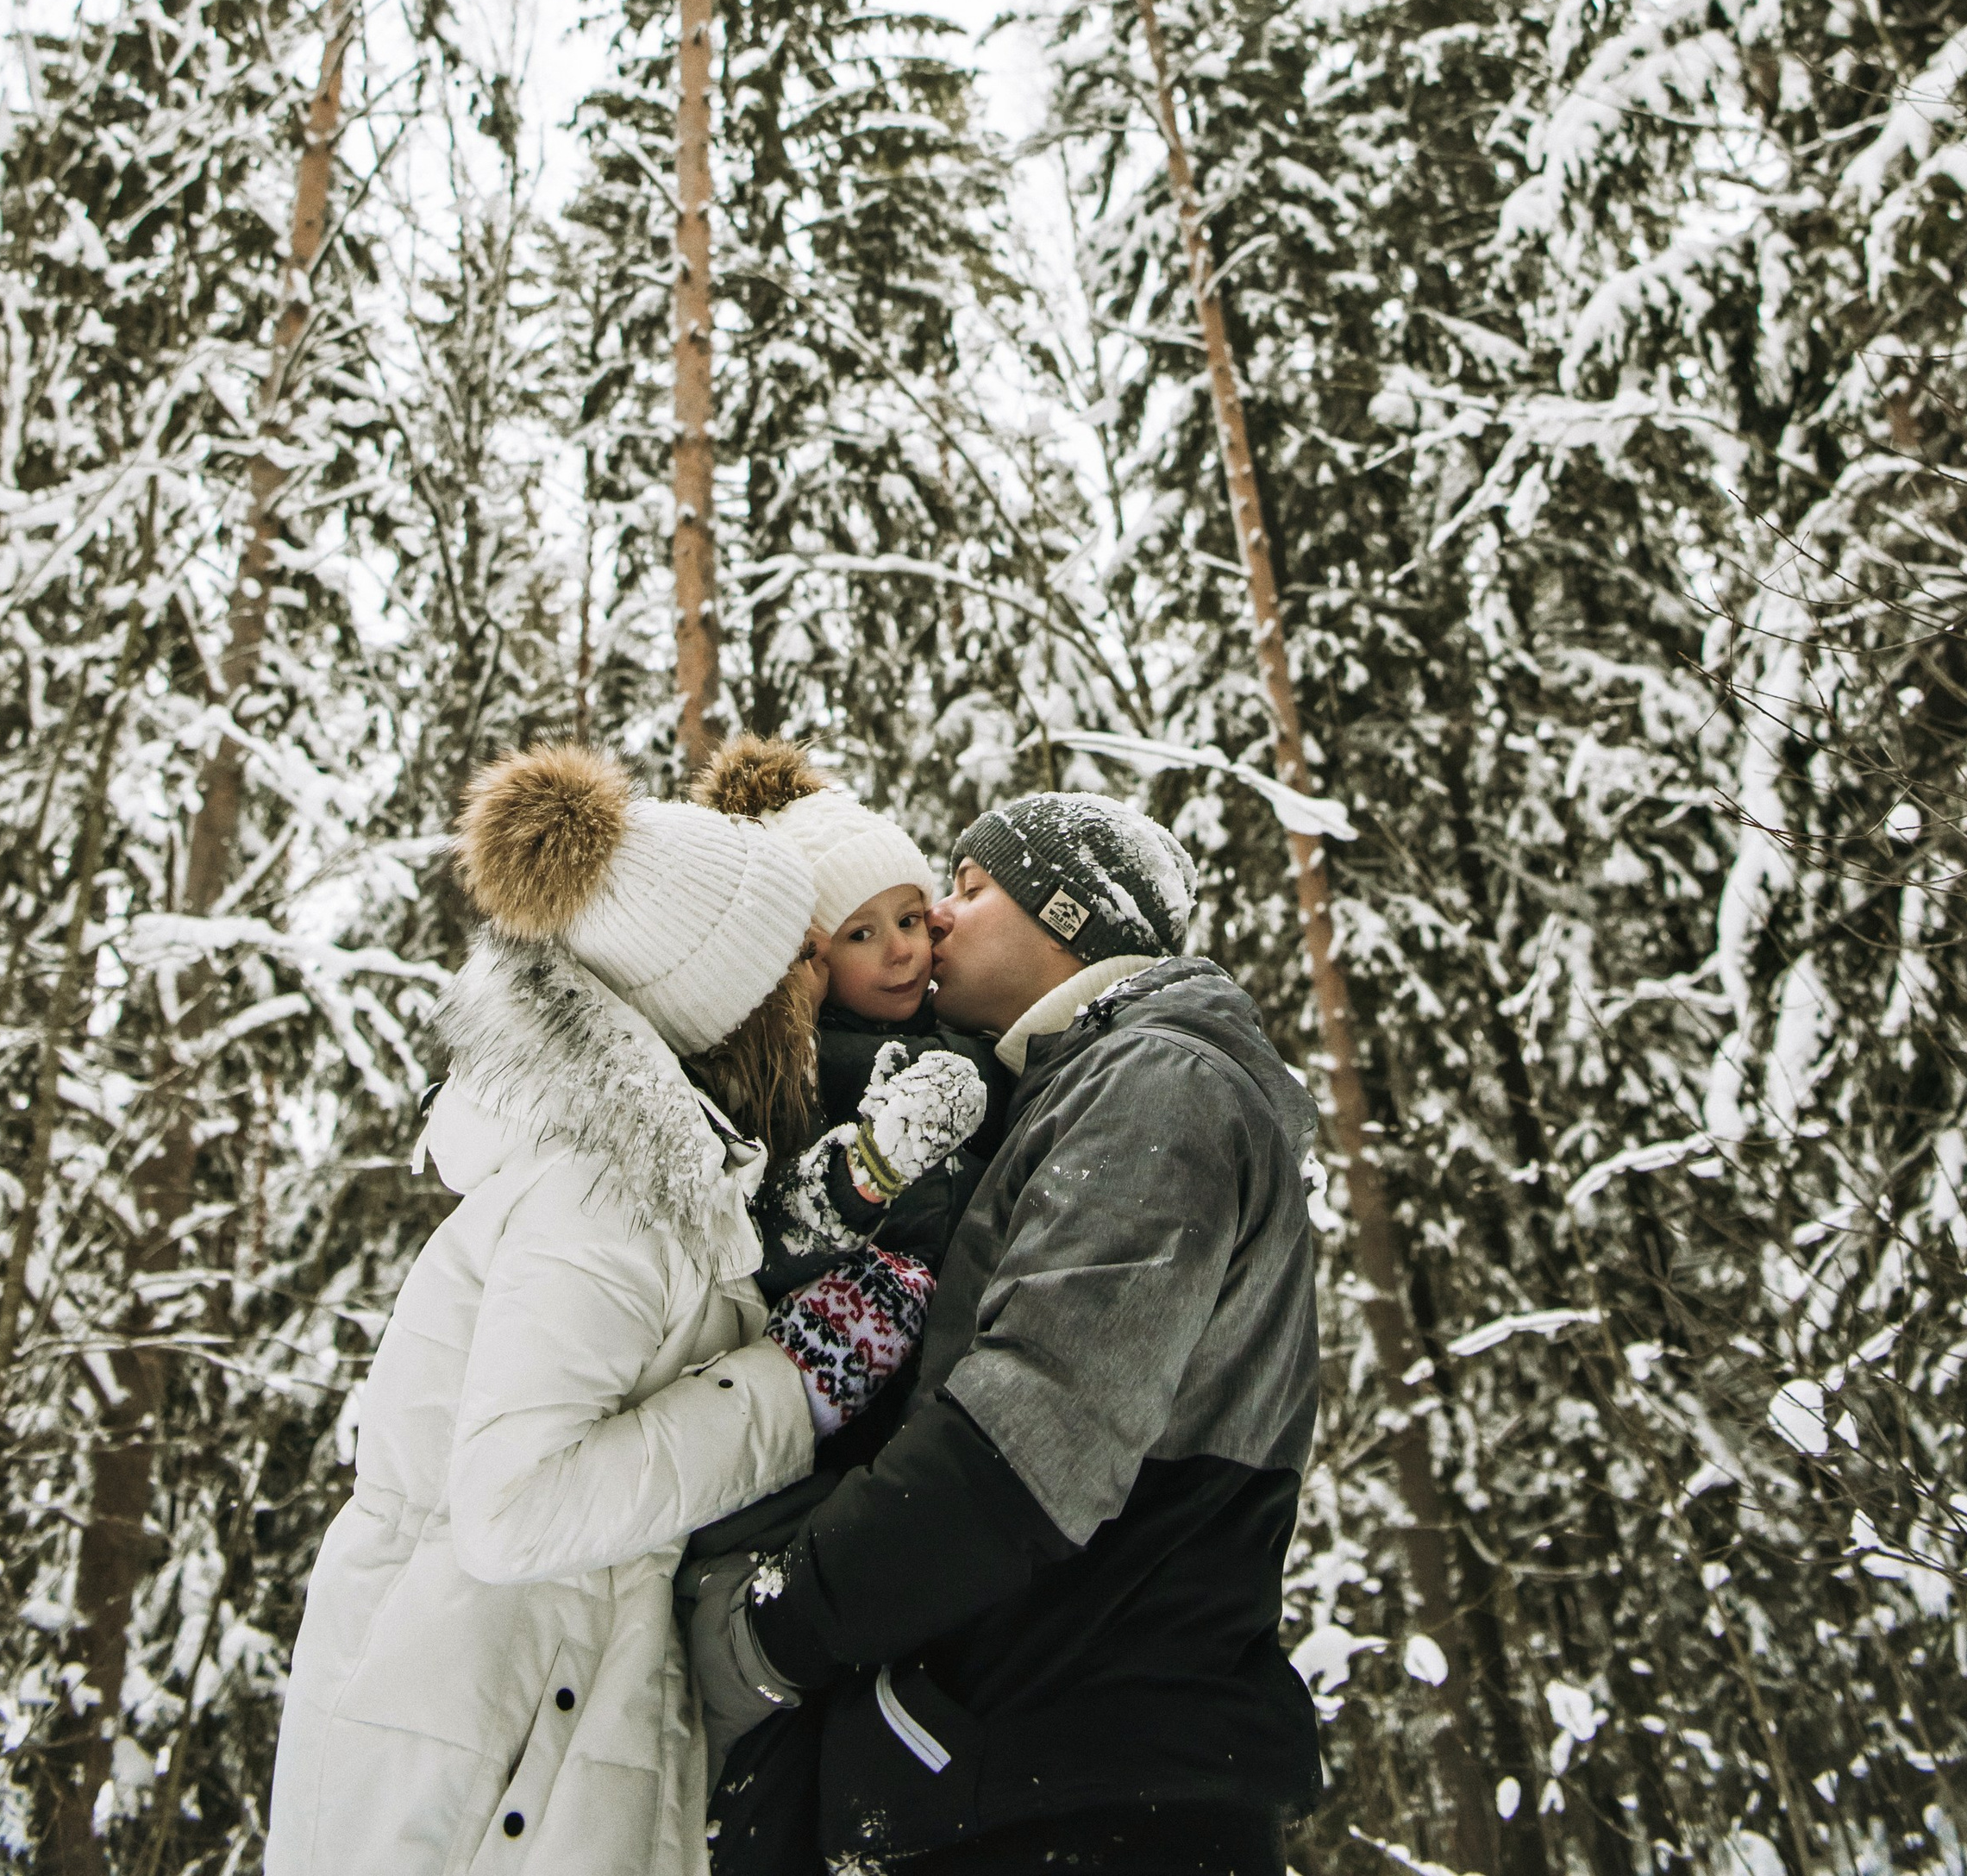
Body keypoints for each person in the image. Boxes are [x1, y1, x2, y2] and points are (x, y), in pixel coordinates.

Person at [265, 739, 929, 1876]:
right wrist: (794, 1383)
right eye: (800, 960)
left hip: (518, 1726)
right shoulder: (604, 1190)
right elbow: (516, 1506)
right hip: (476, 1763)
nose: (824, 981)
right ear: (730, 1002)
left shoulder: (641, 1171)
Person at [684, 793, 1325, 1876]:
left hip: (1094, 1780)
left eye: (972, 889)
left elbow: (1030, 1435)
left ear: (1069, 921)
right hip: (1060, 1764)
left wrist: (768, 1637)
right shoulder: (1080, 1090)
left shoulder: (1158, 1082)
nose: (935, 917)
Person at [695, 737, 994, 1304]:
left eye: (908, 919)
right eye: (860, 933)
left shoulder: (962, 1024)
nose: (901, 950)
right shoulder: (803, 1069)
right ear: (810, 952)